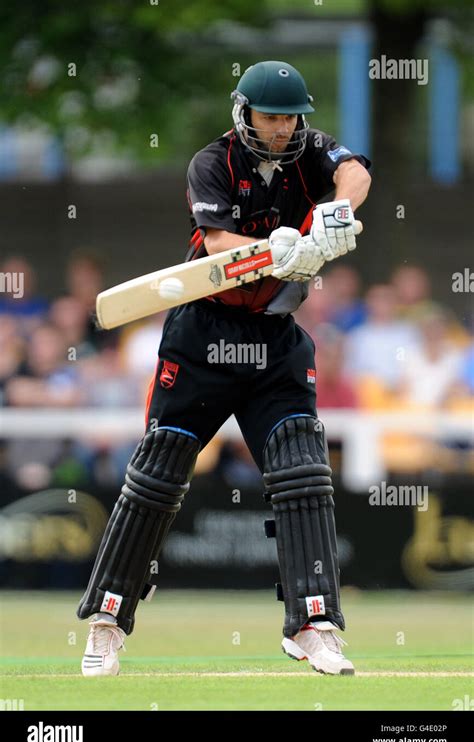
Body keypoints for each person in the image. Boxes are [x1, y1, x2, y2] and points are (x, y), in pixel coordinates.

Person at [77, 61, 371, 676]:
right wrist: (279, 249)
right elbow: (215, 246)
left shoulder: (308, 149)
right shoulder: (211, 163)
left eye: (292, 116)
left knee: (303, 471)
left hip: (275, 339)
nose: (284, 128)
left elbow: (354, 170)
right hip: (202, 335)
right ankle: (108, 619)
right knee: (157, 477)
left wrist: (338, 210)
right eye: (272, 116)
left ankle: (313, 622)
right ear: (244, 114)